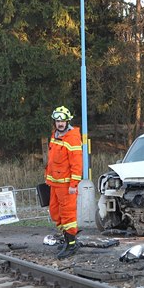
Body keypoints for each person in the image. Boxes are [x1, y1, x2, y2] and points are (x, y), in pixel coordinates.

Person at [45, 106, 83, 259]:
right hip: (55, 183)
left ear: (68, 121)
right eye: (57, 121)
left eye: (62, 121)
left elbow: (77, 164)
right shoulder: (55, 135)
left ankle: (71, 244)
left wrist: (74, 184)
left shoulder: (72, 138)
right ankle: (66, 240)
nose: (60, 123)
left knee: (68, 215)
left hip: (67, 185)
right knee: (56, 212)